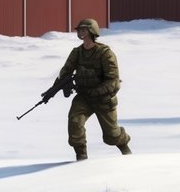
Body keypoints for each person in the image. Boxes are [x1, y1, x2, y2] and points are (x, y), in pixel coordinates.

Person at [48, 18, 131, 160]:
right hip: (84, 97)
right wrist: (56, 87)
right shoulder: (77, 53)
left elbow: (113, 81)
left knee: (111, 136)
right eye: (79, 30)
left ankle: (124, 145)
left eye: (83, 30)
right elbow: (66, 71)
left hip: (103, 99)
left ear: (92, 31)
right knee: (75, 123)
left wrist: (97, 91)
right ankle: (81, 156)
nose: (80, 33)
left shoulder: (104, 53)